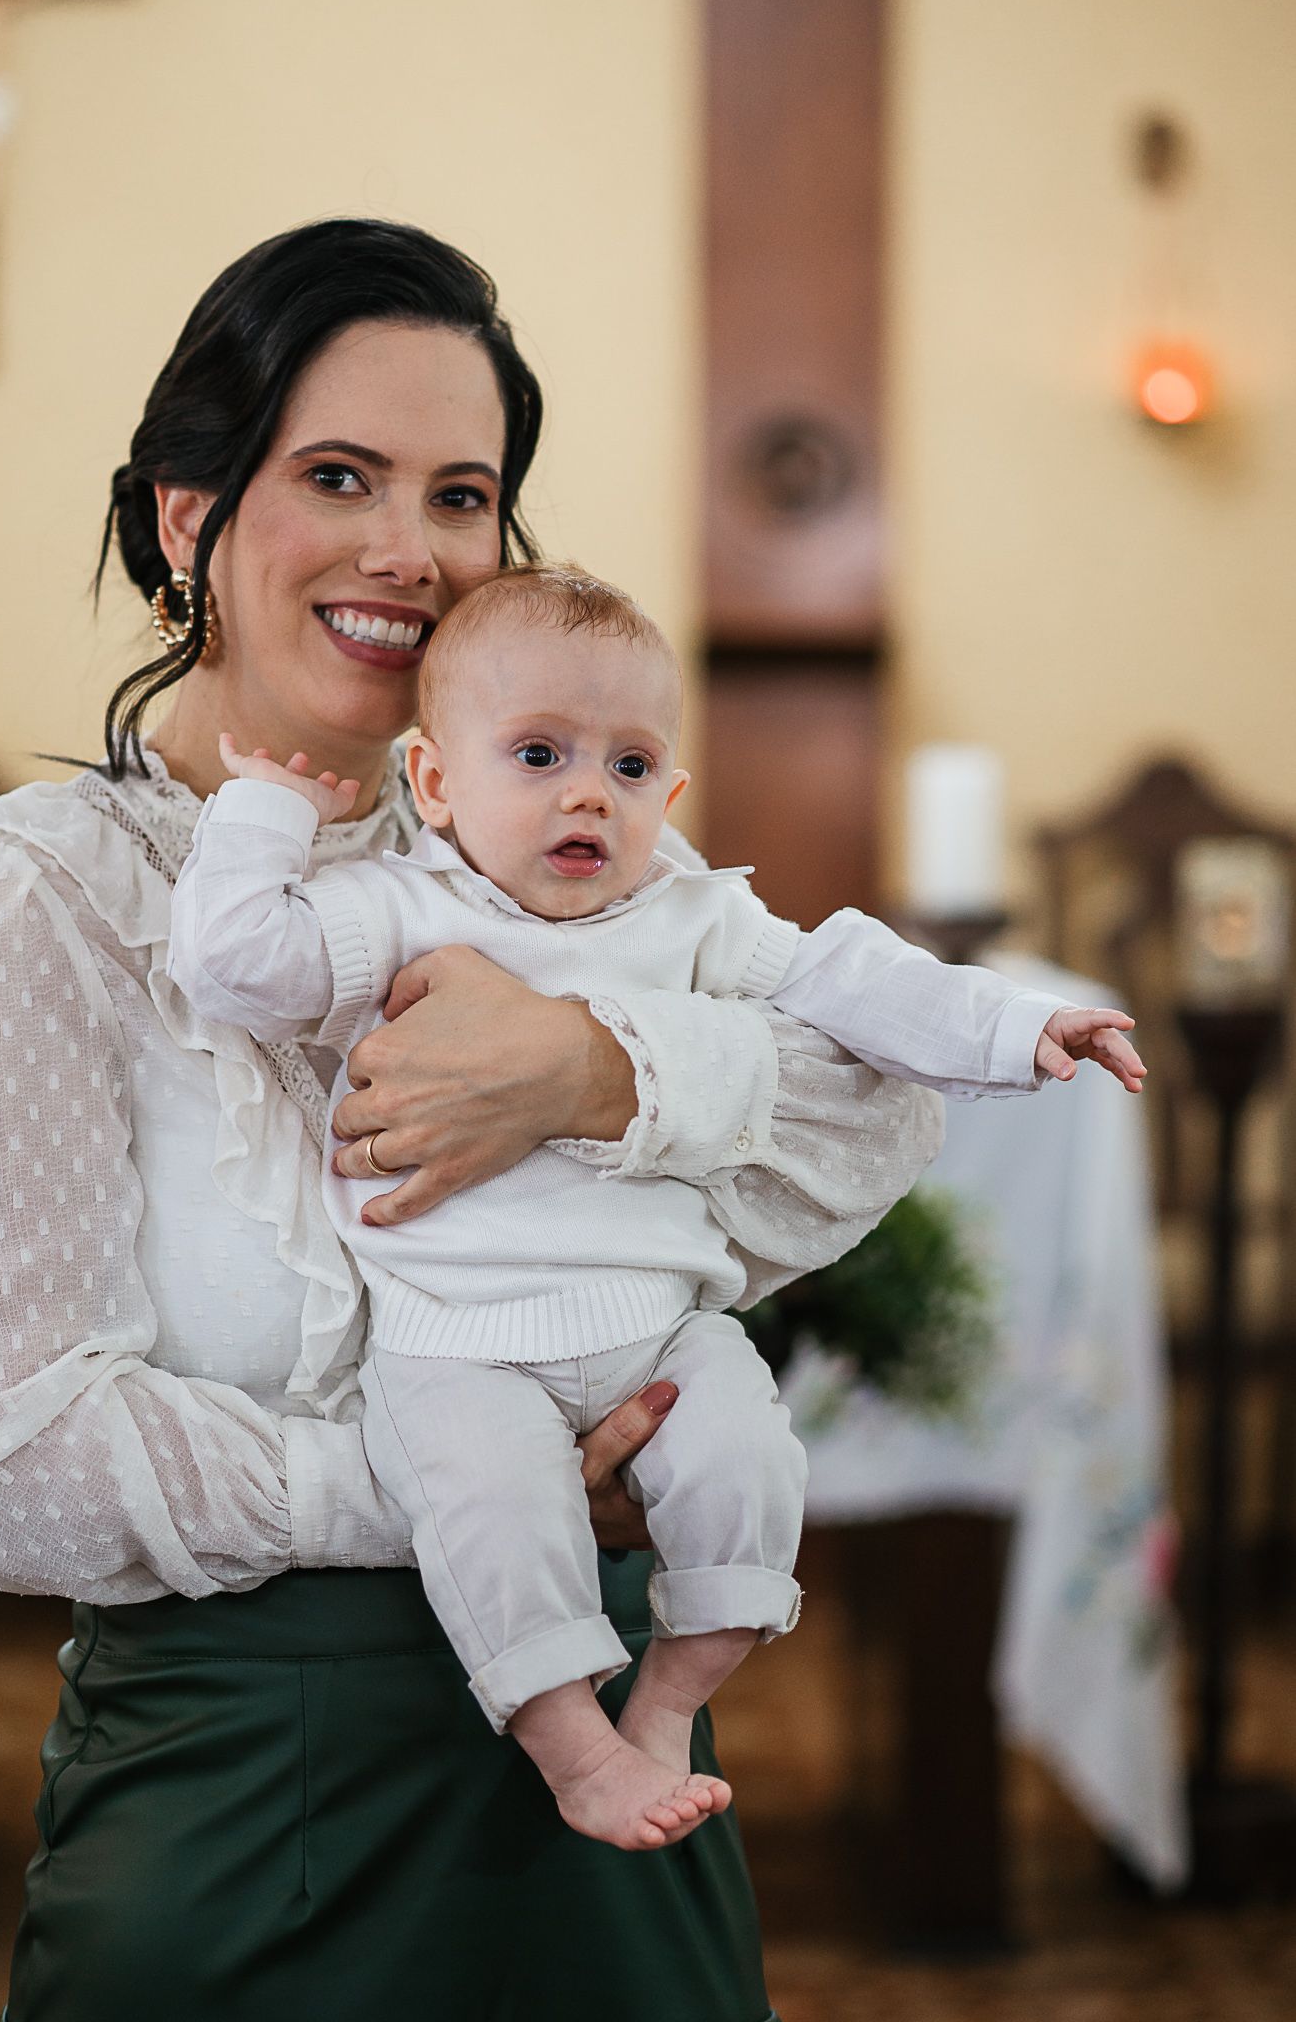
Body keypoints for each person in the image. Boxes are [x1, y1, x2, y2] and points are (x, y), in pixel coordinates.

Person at [0, 220, 946, 2022]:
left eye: (463, 495)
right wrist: (462, 1482)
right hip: (244, 1809)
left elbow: (875, 1110)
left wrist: (597, 1074)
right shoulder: (41, 899)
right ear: (186, 517)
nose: (409, 551)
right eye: (339, 476)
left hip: (614, 1802)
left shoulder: (562, 856)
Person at [166, 561, 1145, 1855]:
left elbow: (855, 983)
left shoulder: (687, 914)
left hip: (660, 1329)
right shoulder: (396, 908)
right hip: (458, 1341)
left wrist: (1023, 1027)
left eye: (631, 768)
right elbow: (232, 965)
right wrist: (263, 817)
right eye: (537, 754)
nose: (589, 791)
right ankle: (575, 1747)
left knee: (751, 1471)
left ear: (670, 796)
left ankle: (669, 1702)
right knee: (493, 1518)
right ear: (435, 782)